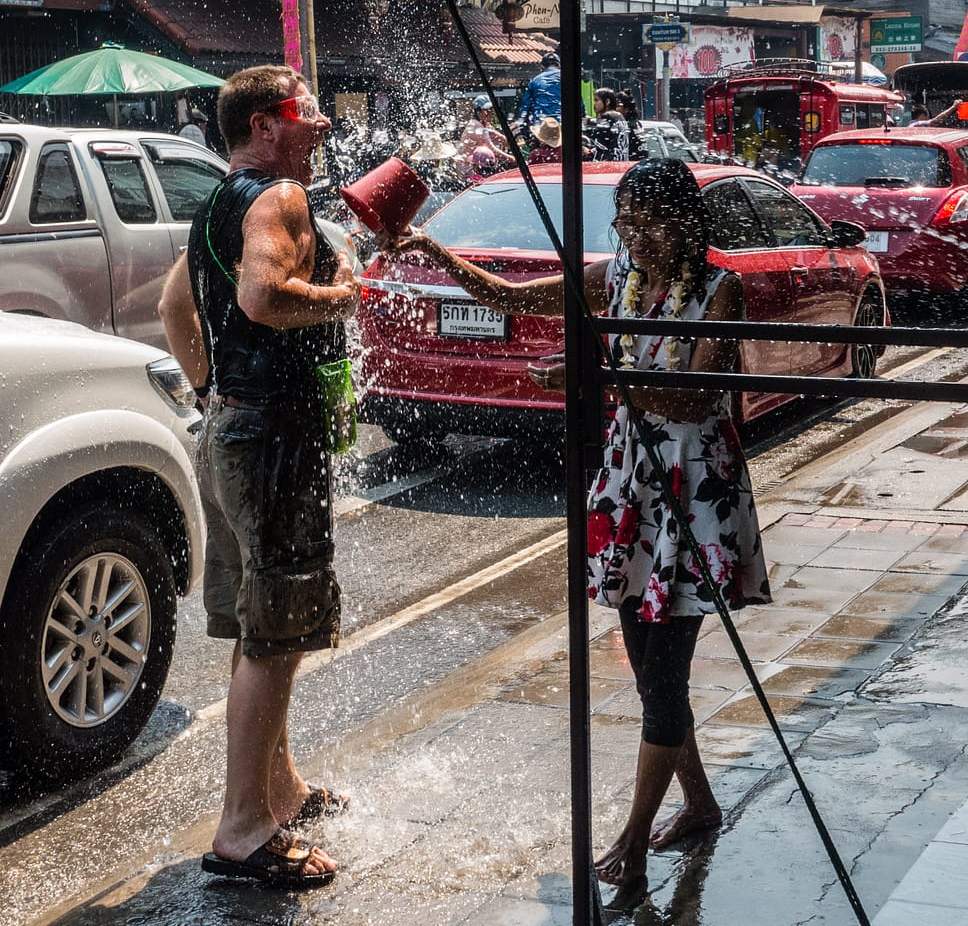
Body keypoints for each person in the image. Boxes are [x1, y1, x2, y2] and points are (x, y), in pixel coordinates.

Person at [378, 157, 771, 893]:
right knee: (651, 669)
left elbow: (693, 402)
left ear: (688, 222)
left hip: (692, 499)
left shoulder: (723, 289)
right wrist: (433, 252)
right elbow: (513, 299)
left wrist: (596, 377)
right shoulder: (611, 277)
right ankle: (702, 804)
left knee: (662, 680)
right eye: (626, 223)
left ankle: (631, 838)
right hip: (631, 492)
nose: (637, 237)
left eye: (651, 222)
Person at [158, 64, 362, 889]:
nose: (322, 128)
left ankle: (278, 789)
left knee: (260, 621)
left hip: (231, 428)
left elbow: (178, 307)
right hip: (273, 434)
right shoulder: (279, 199)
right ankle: (243, 829)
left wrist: (213, 391)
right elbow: (264, 299)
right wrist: (344, 295)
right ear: (268, 123)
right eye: (310, 114)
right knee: (278, 626)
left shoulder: (217, 200)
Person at [456, 94, 514, 178]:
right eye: (487, 110)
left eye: (491, 109)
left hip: (479, 166)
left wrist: (513, 146)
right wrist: (513, 159)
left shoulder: (484, 124)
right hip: (468, 171)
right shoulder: (476, 125)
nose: (491, 112)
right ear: (478, 112)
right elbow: (492, 150)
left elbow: (500, 138)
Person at [517, 51, 562, 125]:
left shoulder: (535, 80)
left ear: (542, 66)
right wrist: (583, 115)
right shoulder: (568, 79)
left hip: (540, 123)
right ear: (559, 65)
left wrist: (521, 120)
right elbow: (578, 100)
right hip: (562, 123)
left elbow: (526, 104)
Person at [589, 88, 630, 162]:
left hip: (607, 163)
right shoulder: (619, 116)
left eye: (597, 100)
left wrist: (588, 152)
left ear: (607, 101)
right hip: (621, 161)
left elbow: (600, 146)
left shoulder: (607, 116)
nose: (594, 104)